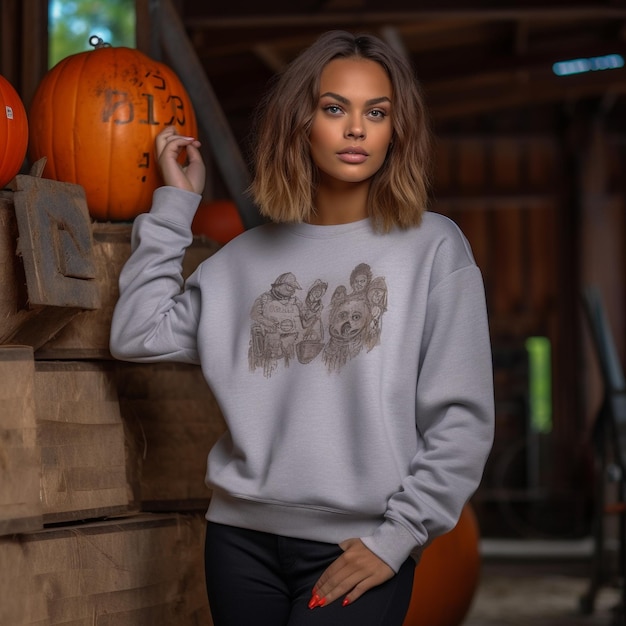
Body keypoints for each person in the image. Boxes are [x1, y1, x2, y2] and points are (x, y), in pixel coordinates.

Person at [109, 29, 494, 626]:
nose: (357, 128)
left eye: (377, 112)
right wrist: (174, 205)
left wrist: (397, 539)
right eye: (335, 108)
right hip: (238, 544)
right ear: (300, 122)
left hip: (360, 544)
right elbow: (137, 333)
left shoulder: (433, 248)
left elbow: (462, 421)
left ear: (397, 131)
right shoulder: (242, 261)